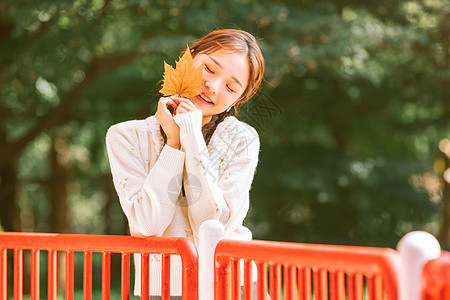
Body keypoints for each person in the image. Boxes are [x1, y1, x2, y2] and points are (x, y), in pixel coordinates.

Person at [106, 29, 265, 299]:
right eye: (209, 69)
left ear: (238, 101)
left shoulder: (242, 139)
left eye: (230, 87)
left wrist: (191, 136)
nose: (213, 87)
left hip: (232, 286)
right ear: (186, 58)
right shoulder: (125, 137)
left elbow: (211, 224)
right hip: (163, 288)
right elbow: (149, 225)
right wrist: (174, 145)